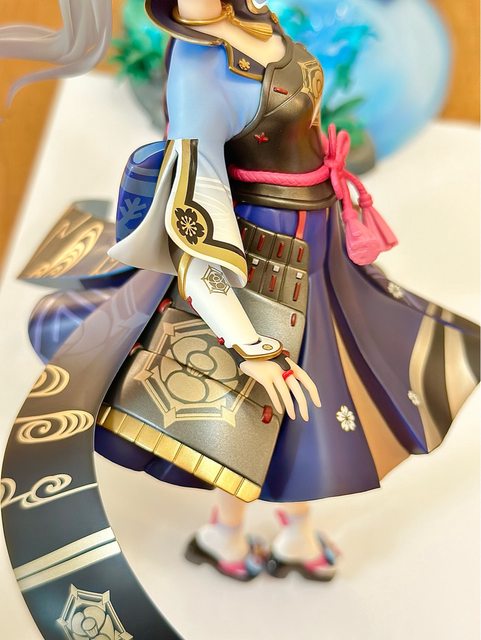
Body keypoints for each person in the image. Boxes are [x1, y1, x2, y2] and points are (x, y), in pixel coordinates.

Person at [1, 0, 479, 593]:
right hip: (260, 259)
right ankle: (227, 534)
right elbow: (197, 221)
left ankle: (287, 533)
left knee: (324, 394)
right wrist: (248, 342)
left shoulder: (254, 16)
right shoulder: (198, 69)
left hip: (318, 242)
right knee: (254, 413)